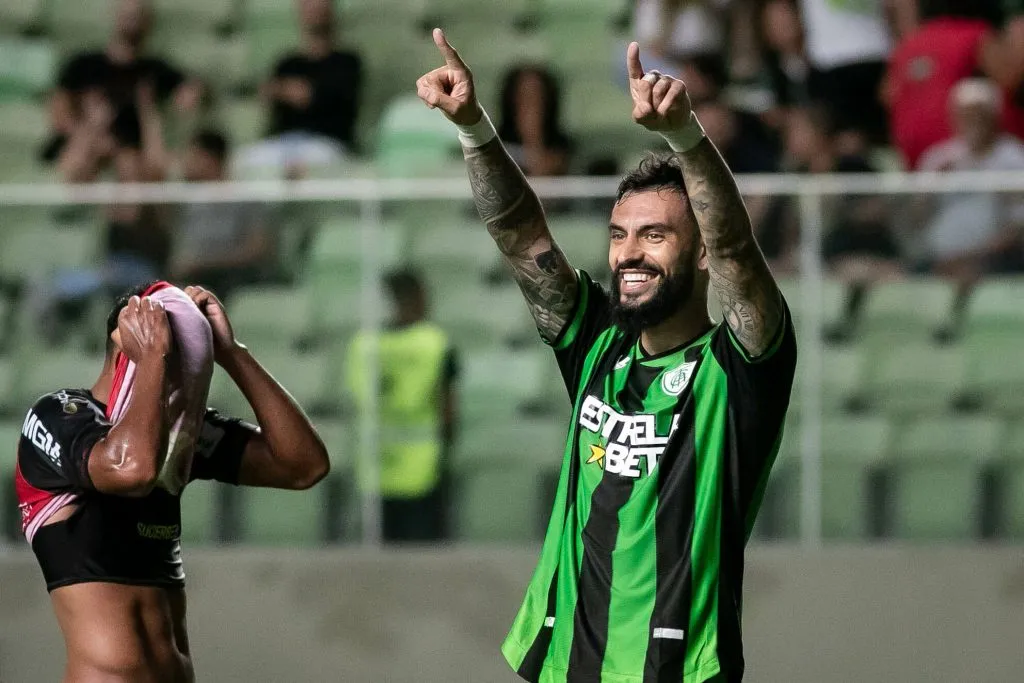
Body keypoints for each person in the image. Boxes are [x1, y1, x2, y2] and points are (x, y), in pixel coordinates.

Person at [416, 29, 797, 683]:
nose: (629, 253)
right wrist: (475, 128)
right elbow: (519, 232)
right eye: (620, 234)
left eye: (654, 234)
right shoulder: (596, 344)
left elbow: (735, 247)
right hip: (566, 666)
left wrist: (684, 136)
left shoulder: (737, 371)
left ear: (699, 251)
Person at [15, 282, 330, 682]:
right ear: (128, 352)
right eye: (173, 364)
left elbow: (304, 466)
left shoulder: (178, 438)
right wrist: (152, 359)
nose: (186, 385)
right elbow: (134, 469)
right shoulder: (59, 417)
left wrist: (232, 355)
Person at [345, 269, 458, 542]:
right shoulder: (435, 343)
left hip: (375, 464)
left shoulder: (363, 346)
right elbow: (448, 406)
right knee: (422, 557)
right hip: (423, 465)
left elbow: (356, 399)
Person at [41, 0, 202, 180]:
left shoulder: (157, 71)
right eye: (127, 14)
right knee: (83, 154)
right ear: (115, 15)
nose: (132, 20)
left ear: (149, 20)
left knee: (130, 163)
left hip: (135, 153)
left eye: (137, 15)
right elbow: (59, 113)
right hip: (87, 145)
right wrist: (90, 129)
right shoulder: (83, 66)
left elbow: (189, 100)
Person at [236, 0, 363, 175]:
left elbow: (330, 100)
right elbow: (270, 95)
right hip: (284, 143)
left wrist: (298, 93)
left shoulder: (347, 62)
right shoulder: (287, 63)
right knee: (243, 162)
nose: (314, 7)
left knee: (310, 163)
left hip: (326, 143)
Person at [915, 78, 1024, 280]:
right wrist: (933, 186)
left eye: (978, 114)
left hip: (996, 260)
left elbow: (1019, 224)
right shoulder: (937, 158)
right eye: (964, 115)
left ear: (993, 116)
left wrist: (976, 256)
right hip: (939, 260)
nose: (972, 121)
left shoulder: (1014, 157)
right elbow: (916, 220)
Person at [170, 130, 277, 302]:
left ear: (210, 158)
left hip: (234, 278)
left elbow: (258, 248)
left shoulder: (245, 198)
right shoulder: (190, 202)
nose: (186, 163)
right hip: (196, 277)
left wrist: (206, 264)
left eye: (192, 156)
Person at [497, 65, 574, 178]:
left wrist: (534, 140)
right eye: (524, 97)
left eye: (537, 97)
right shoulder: (496, 147)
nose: (531, 105)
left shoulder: (563, 149)